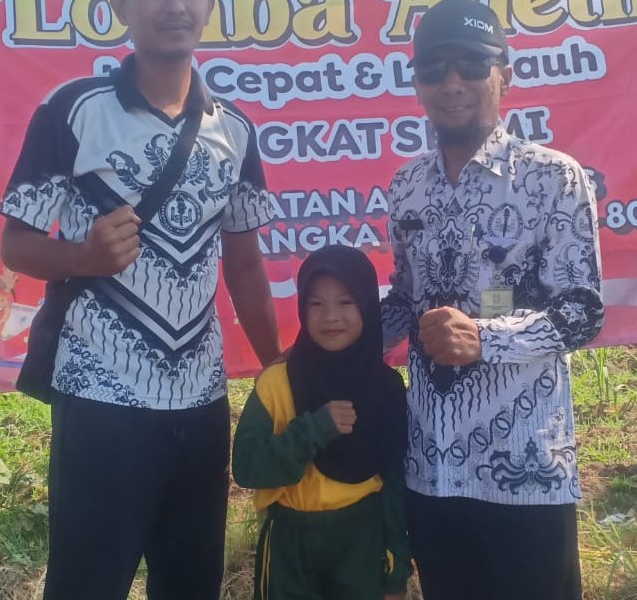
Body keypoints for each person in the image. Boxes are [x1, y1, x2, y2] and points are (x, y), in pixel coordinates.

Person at [0, 0, 280, 597]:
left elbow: (245, 263)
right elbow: (14, 246)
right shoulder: (74, 110)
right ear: (122, 7)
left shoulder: (234, 128)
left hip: (201, 403)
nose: (175, 7)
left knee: (191, 584)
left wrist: (276, 364)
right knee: (87, 584)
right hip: (101, 398)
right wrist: (82, 257)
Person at [380, 1, 605, 599]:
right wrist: (331, 343)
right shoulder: (406, 186)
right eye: (434, 68)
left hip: (524, 466)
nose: (452, 82)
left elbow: (582, 311)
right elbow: (405, 299)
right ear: (417, 84)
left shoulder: (554, 178)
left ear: (505, 74)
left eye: (472, 65)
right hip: (432, 467)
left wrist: (486, 339)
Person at [232, 245, 411, 600]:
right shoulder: (277, 383)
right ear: (302, 308)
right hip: (291, 545)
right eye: (316, 304)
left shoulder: (386, 388)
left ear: (367, 305)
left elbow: (395, 482)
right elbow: (247, 468)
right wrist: (311, 431)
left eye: (346, 302)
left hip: (361, 541)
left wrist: (397, 570)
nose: (331, 316)